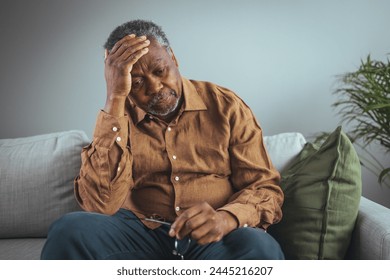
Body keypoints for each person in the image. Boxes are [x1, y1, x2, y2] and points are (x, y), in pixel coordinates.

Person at [40, 20, 284, 260]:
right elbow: (99, 205)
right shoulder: (116, 117)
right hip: (140, 231)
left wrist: (226, 219)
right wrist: (114, 97)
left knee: (261, 248)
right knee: (69, 230)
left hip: (215, 234)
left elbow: (264, 188)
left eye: (160, 71)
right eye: (137, 82)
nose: (155, 87)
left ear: (173, 59)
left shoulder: (226, 106)